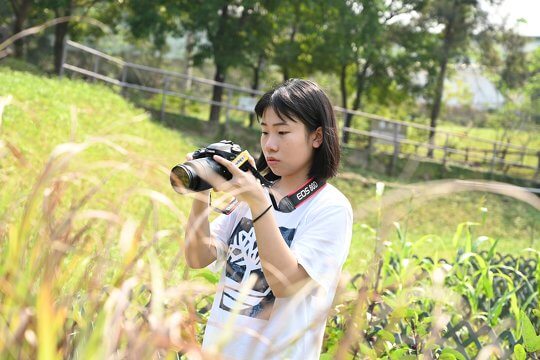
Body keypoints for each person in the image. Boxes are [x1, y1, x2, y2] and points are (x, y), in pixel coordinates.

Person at [183, 79, 352, 359]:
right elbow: (197, 257)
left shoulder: (330, 207)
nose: (270, 145)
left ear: (317, 137)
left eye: (283, 132)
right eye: (264, 132)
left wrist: (259, 204)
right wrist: (202, 191)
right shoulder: (253, 191)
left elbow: (286, 285)